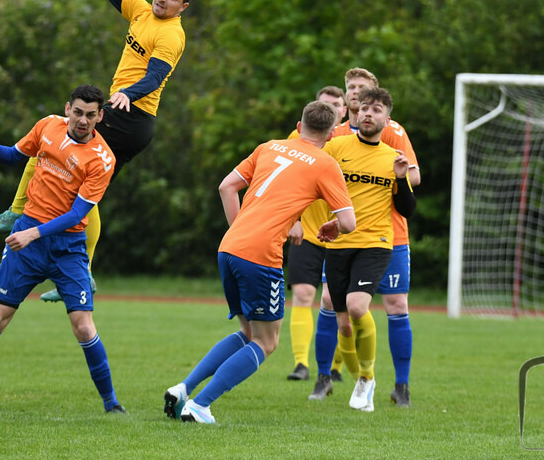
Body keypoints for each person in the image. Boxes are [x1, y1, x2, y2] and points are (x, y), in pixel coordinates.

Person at [0, 0, 202, 303]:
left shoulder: (171, 34)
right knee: (54, 149)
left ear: (183, 7)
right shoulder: (142, 12)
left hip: (132, 119)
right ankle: (52, 245)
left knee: (63, 159)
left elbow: (155, 77)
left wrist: (128, 94)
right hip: (120, 110)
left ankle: (36, 231)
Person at [163, 101, 356, 424]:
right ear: (332, 133)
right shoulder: (325, 164)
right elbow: (348, 222)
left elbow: (227, 186)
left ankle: (183, 388)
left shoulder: (269, 147)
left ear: (298, 126)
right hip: (260, 254)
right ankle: (200, 405)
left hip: (229, 247)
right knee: (267, 342)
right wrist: (332, 226)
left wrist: (241, 231)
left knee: (249, 332)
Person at [0, 85, 126, 413]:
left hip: (68, 248)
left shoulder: (103, 160)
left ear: (100, 116)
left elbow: (78, 215)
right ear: (68, 109)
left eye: (91, 115)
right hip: (28, 241)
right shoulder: (47, 125)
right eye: (78, 112)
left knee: (84, 326)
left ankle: (112, 405)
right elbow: (14, 157)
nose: (83, 121)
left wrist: (33, 233)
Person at [315, 68, 421, 407]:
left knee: (391, 305)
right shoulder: (336, 138)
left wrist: (399, 179)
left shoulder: (393, 138)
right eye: (352, 89)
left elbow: (411, 185)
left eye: (363, 89)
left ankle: (393, 384)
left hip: (384, 236)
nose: (357, 95)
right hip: (341, 237)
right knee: (334, 307)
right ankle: (328, 376)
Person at [284, 86, 348, 381]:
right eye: (325, 104)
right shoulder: (295, 141)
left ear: (344, 112)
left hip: (343, 236)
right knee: (303, 293)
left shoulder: (352, 143)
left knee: (334, 302)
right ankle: (301, 364)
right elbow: (283, 184)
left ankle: (334, 366)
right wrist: (291, 220)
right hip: (306, 232)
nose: (331, 107)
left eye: (337, 104)